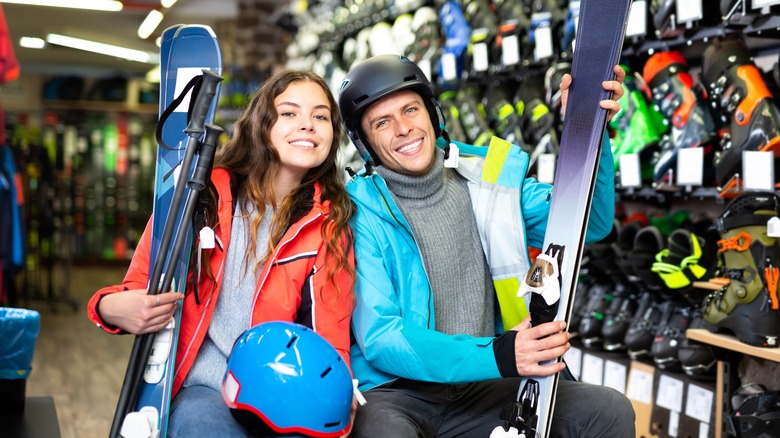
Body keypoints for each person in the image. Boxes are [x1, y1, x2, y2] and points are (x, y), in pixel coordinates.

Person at [338, 54, 635, 437]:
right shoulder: (357, 210)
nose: (403, 128)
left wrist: (588, 133)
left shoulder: (488, 179)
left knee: (606, 410)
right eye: (382, 122)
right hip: (399, 391)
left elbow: (588, 223)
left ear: (432, 113)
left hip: (483, 384)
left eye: (411, 110)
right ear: (364, 142)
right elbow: (383, 337)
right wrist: (499, 354)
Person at [87, 70, 357, 437]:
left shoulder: (328, 223)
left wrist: (338, 391)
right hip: (204, 387)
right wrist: (107, 307)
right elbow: (139, 284)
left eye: (320, 116)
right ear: (262, 124)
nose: (307, 124)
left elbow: (330, 333)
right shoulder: (201, 196)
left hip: (281, 391)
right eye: (289, 113)